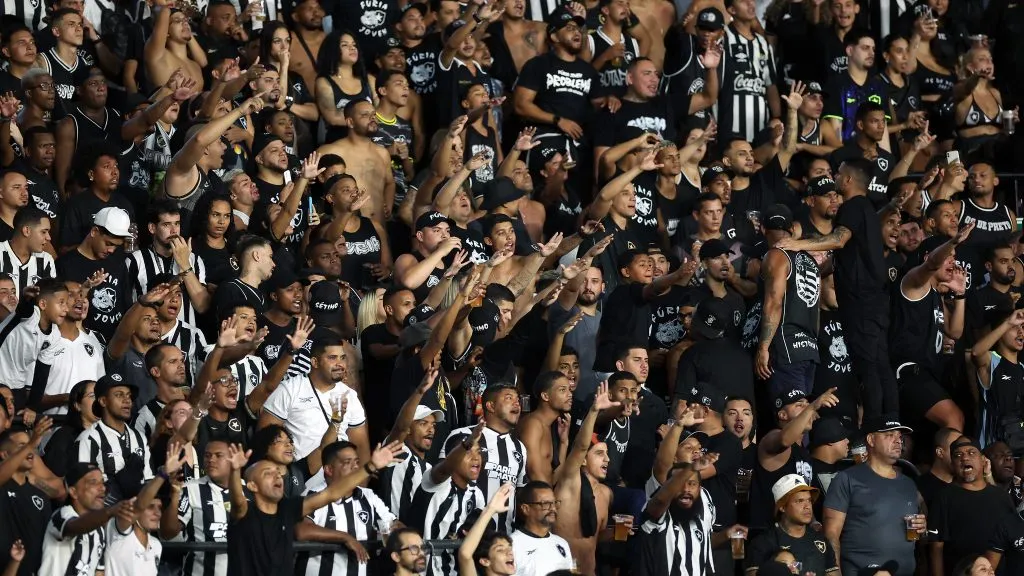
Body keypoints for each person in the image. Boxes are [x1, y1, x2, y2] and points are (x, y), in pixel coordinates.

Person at [777, 158, 901, 420]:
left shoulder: (853, 206)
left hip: (862, 302)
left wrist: (798, 245)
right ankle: (891, 423)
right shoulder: (865, 208)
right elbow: (843, 258)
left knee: (869, 369)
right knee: (879, 365)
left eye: (839, 173)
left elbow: (839, 240)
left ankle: (875, 429)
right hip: (874, 301)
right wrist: (814, 272)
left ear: (847, 180)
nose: (834, 175)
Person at [225, 440, 404, 576]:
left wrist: (370, 466)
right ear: (252, 486)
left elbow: (330, 494)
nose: (277, 476)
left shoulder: (287, 509)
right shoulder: (245, 513)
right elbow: (238, 502)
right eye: (267, 474)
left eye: (277, 472)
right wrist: (234, 471)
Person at [823, 416, 927, 576]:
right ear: (871, 440)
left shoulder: (909, 484)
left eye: (899, 436)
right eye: (889, 435)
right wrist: (834, 572)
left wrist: (923, 529)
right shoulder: (847, 479)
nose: (898, 441)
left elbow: (919, 535)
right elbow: (831, 533)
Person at [928, 436, 1015, 576]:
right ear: (953, 464)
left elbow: (1013, 542)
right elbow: (936, 548)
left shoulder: (1001, 497)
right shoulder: (944, 497)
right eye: (958, 455)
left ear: (983, 460)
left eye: (971, 453)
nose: (965, 458)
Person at [745, 474, 839, 576]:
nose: (807, 506)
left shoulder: (821, 540)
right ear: (782, 507)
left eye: (809, 500)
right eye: (800, 501)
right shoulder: (763, 543)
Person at [509, 481, 574, 576]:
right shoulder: (512, 544)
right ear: (526, 509)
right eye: (546, 504)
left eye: (554, 503)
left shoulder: (562, 543)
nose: (553, 508)